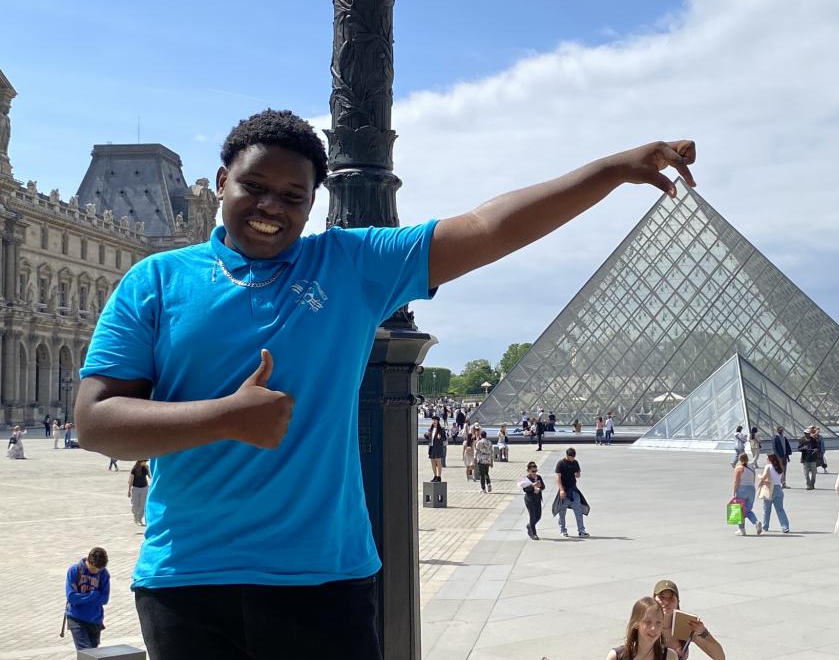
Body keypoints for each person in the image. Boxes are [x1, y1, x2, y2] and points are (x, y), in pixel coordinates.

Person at [74, 109, 694, 658]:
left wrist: (614, 170)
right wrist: (227, 417)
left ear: (314, 202)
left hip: (325, 580)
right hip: (189, 582)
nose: (272, 207)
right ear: (219, 184)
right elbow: (95, 421)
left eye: (294, 195)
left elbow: (486, 227)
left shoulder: (348, 264)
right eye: (254, 187)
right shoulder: (154, 281)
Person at [652, 580, 725, 660]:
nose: (666, 602)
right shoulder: (647, 625)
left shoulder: (685, 625)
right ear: (653, 600)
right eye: (662, 597)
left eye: (671, 597)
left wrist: (703, 632)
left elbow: (719, 657)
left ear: (678, 602)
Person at [64, 547, 111, 650]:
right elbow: (71, 597)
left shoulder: (103, 573)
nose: (96, 571)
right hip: (76, 618)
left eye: (99, 569)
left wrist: (81, 599)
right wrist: (93, 595)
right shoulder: (74, 571)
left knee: (93, 654)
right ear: (88, 561)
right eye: (94, 569)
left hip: (95, 620)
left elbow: (104, 599)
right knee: (86, 652)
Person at [607, 597, 678, 660]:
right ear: (636, 624)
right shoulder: (616, 657)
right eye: (648, 622)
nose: (653, 628)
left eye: (658, 622)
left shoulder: (670, 656)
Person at [554, 447, 589, 537]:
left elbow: (578, 474)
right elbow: (558, 477)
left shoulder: (575, 462)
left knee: (578, 511)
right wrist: (561, 490)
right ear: (567, 455)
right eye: (571, 457)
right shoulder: (560, 463)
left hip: (573, 490)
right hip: (564, 490)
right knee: (562, 512)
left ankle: (581, 530)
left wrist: (578, 474)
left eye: (574, 457)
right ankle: (563, 530)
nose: (572, 459)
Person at [756, 453, 790, 534]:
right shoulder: (779, 467)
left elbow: (764, 477)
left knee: (767, 509)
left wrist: (759, 476)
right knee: (780, 509)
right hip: (778, 488)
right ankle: (785, 526)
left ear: (769, 459)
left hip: (769, 489)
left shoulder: (768, 466)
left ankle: (765, 526)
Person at [731, 453, 761, 536]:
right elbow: (753, 479)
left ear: (740, 460)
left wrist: (734, 492)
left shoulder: (739, 468)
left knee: (739, 510)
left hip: (742, 489)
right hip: (751, 489)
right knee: (747, 510)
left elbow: (736, 481)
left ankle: (742, 529)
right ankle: (756, 522)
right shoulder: (752, 467)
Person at [520, 461, 545, 540]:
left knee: (538, 516)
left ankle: (529, 525)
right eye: (533, 471)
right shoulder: (526, 479)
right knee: (532, 516)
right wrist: (532, 486)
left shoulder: (538, 477)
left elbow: (543, 486)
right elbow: (525, 489)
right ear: (529, 471)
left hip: (537, 498)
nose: (535, 473)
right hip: (529, 499)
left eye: (536, 471)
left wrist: (540, 487)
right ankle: (533, 534)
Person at [128, 459, 151, 526]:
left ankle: (139, 519)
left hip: (144, 488)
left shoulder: (145, 468)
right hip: (135, 488)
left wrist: (147, 468)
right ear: (141, 462)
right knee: (135, 505)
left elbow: (150, 476)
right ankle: (135, 517)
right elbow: (131, 480)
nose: (146, 462)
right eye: (145, 461)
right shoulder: (134, 469)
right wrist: (129, 490)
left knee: (143, 505)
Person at [424, 416, 447, 482]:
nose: (434, 421)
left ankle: (439, 476)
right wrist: (426, 435)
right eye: (433, 420)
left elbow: (444, 438)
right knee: (433, 462)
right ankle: (435, 476)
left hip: (438, 448)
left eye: (435, 420)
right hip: (431, 447)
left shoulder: (441, 429)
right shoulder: (430, 429)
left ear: (438, 421)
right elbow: (428, 438)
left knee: (438, 462)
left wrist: (440, 437)